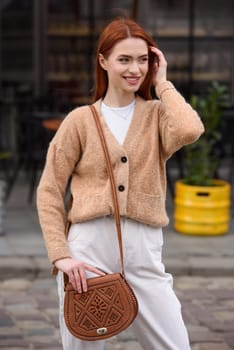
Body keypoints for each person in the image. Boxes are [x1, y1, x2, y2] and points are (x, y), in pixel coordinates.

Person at [37, 17, 204, 350]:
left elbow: (189, 130)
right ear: (103, 61)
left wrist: (163, 83)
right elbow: (50, 190)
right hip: (88, 249)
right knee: (83, 344)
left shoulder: (157, 115)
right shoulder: (80, 121)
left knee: (174, 344)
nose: (135, 69)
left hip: (143, 248)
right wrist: (61, 256)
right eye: (124, 59)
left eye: (143, 60)